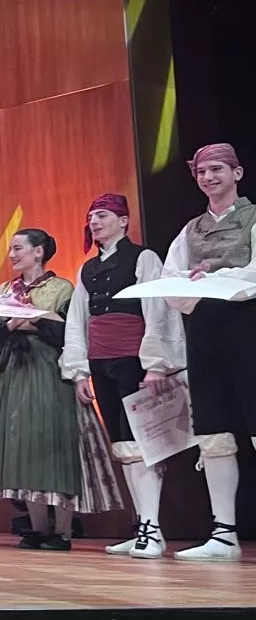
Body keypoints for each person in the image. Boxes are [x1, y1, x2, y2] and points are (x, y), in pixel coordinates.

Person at [61, 193, 195, 559]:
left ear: (123, 220)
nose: (94, 221)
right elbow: (78, 322)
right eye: (90, 216)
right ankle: (142, 527)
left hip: (133, 359)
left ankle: (152, 528)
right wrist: (78, 372)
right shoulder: (87, 268)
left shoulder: (143, 258)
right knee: (124, 446)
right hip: (102, 361)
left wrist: (155, 363)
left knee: (146, 444)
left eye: (102, 215)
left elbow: (158, 309)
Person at [0, 229, 121, 551]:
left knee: (53, 444)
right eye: (11, 249)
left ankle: (64, 530)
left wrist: (31, 319)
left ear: (39, 252)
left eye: (18, 248)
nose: (12, 255)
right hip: (10, 372)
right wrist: (18, 322)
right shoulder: (2, 290)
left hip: (48, 371)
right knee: (20, 448)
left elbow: (64, 331)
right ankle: (38, 527)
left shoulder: (61, 288)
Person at [162, 143, 254, 561]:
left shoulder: (252, 218)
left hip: (246, 326)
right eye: (201, 171)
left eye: (217, 169)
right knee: (212, 429)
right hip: (204, 330)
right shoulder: (191, 229)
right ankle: (224, 533)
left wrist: (214, 277)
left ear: (237, 173)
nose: (208, 177)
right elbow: (171, 280)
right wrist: (193, 287)